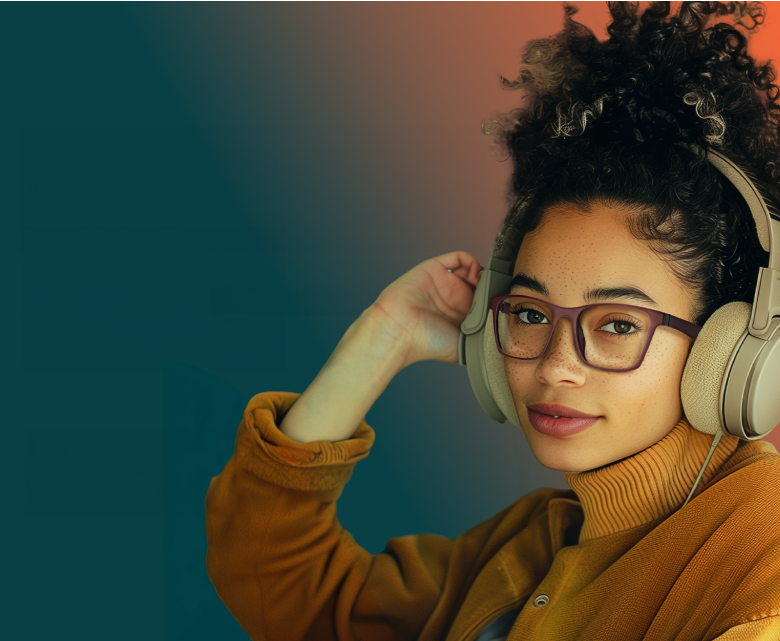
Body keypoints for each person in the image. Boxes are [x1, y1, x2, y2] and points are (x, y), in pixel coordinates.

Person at [205, 2, 780, 639]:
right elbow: (281, 587)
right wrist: (382, 337)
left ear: (729, 354)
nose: (555, 366)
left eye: (617, 324)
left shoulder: (761, 574)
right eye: (531, 312)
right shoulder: (533, 540)